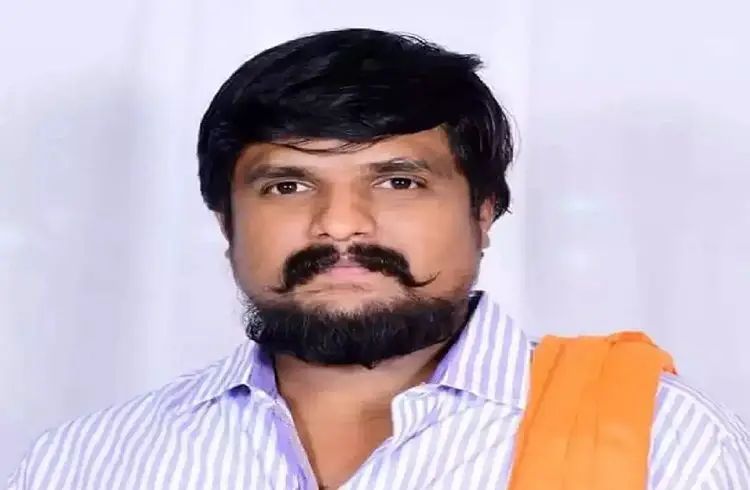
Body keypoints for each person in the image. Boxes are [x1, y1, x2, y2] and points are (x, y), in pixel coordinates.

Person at [8, 28, 749, 490]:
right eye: (287, 184)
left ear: (484, 211)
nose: (340, 224)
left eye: (398, 182)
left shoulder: (661, 443)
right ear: (225, 222)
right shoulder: (85, 464)